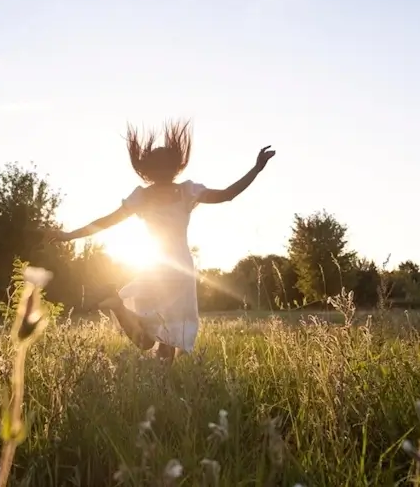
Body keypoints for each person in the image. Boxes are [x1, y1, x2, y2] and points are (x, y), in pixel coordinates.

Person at [48, 120, 275, 362]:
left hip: (156, 267)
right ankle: (120, 311)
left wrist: (68, 235)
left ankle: (118, 307)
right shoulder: (186, 192)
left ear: (149, 171)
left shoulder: (144, 196)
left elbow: (107, 222)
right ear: (175, 167)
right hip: (177, 268)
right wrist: (256, 169)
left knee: (152, 340)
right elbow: (227, 195)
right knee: (166, 338)